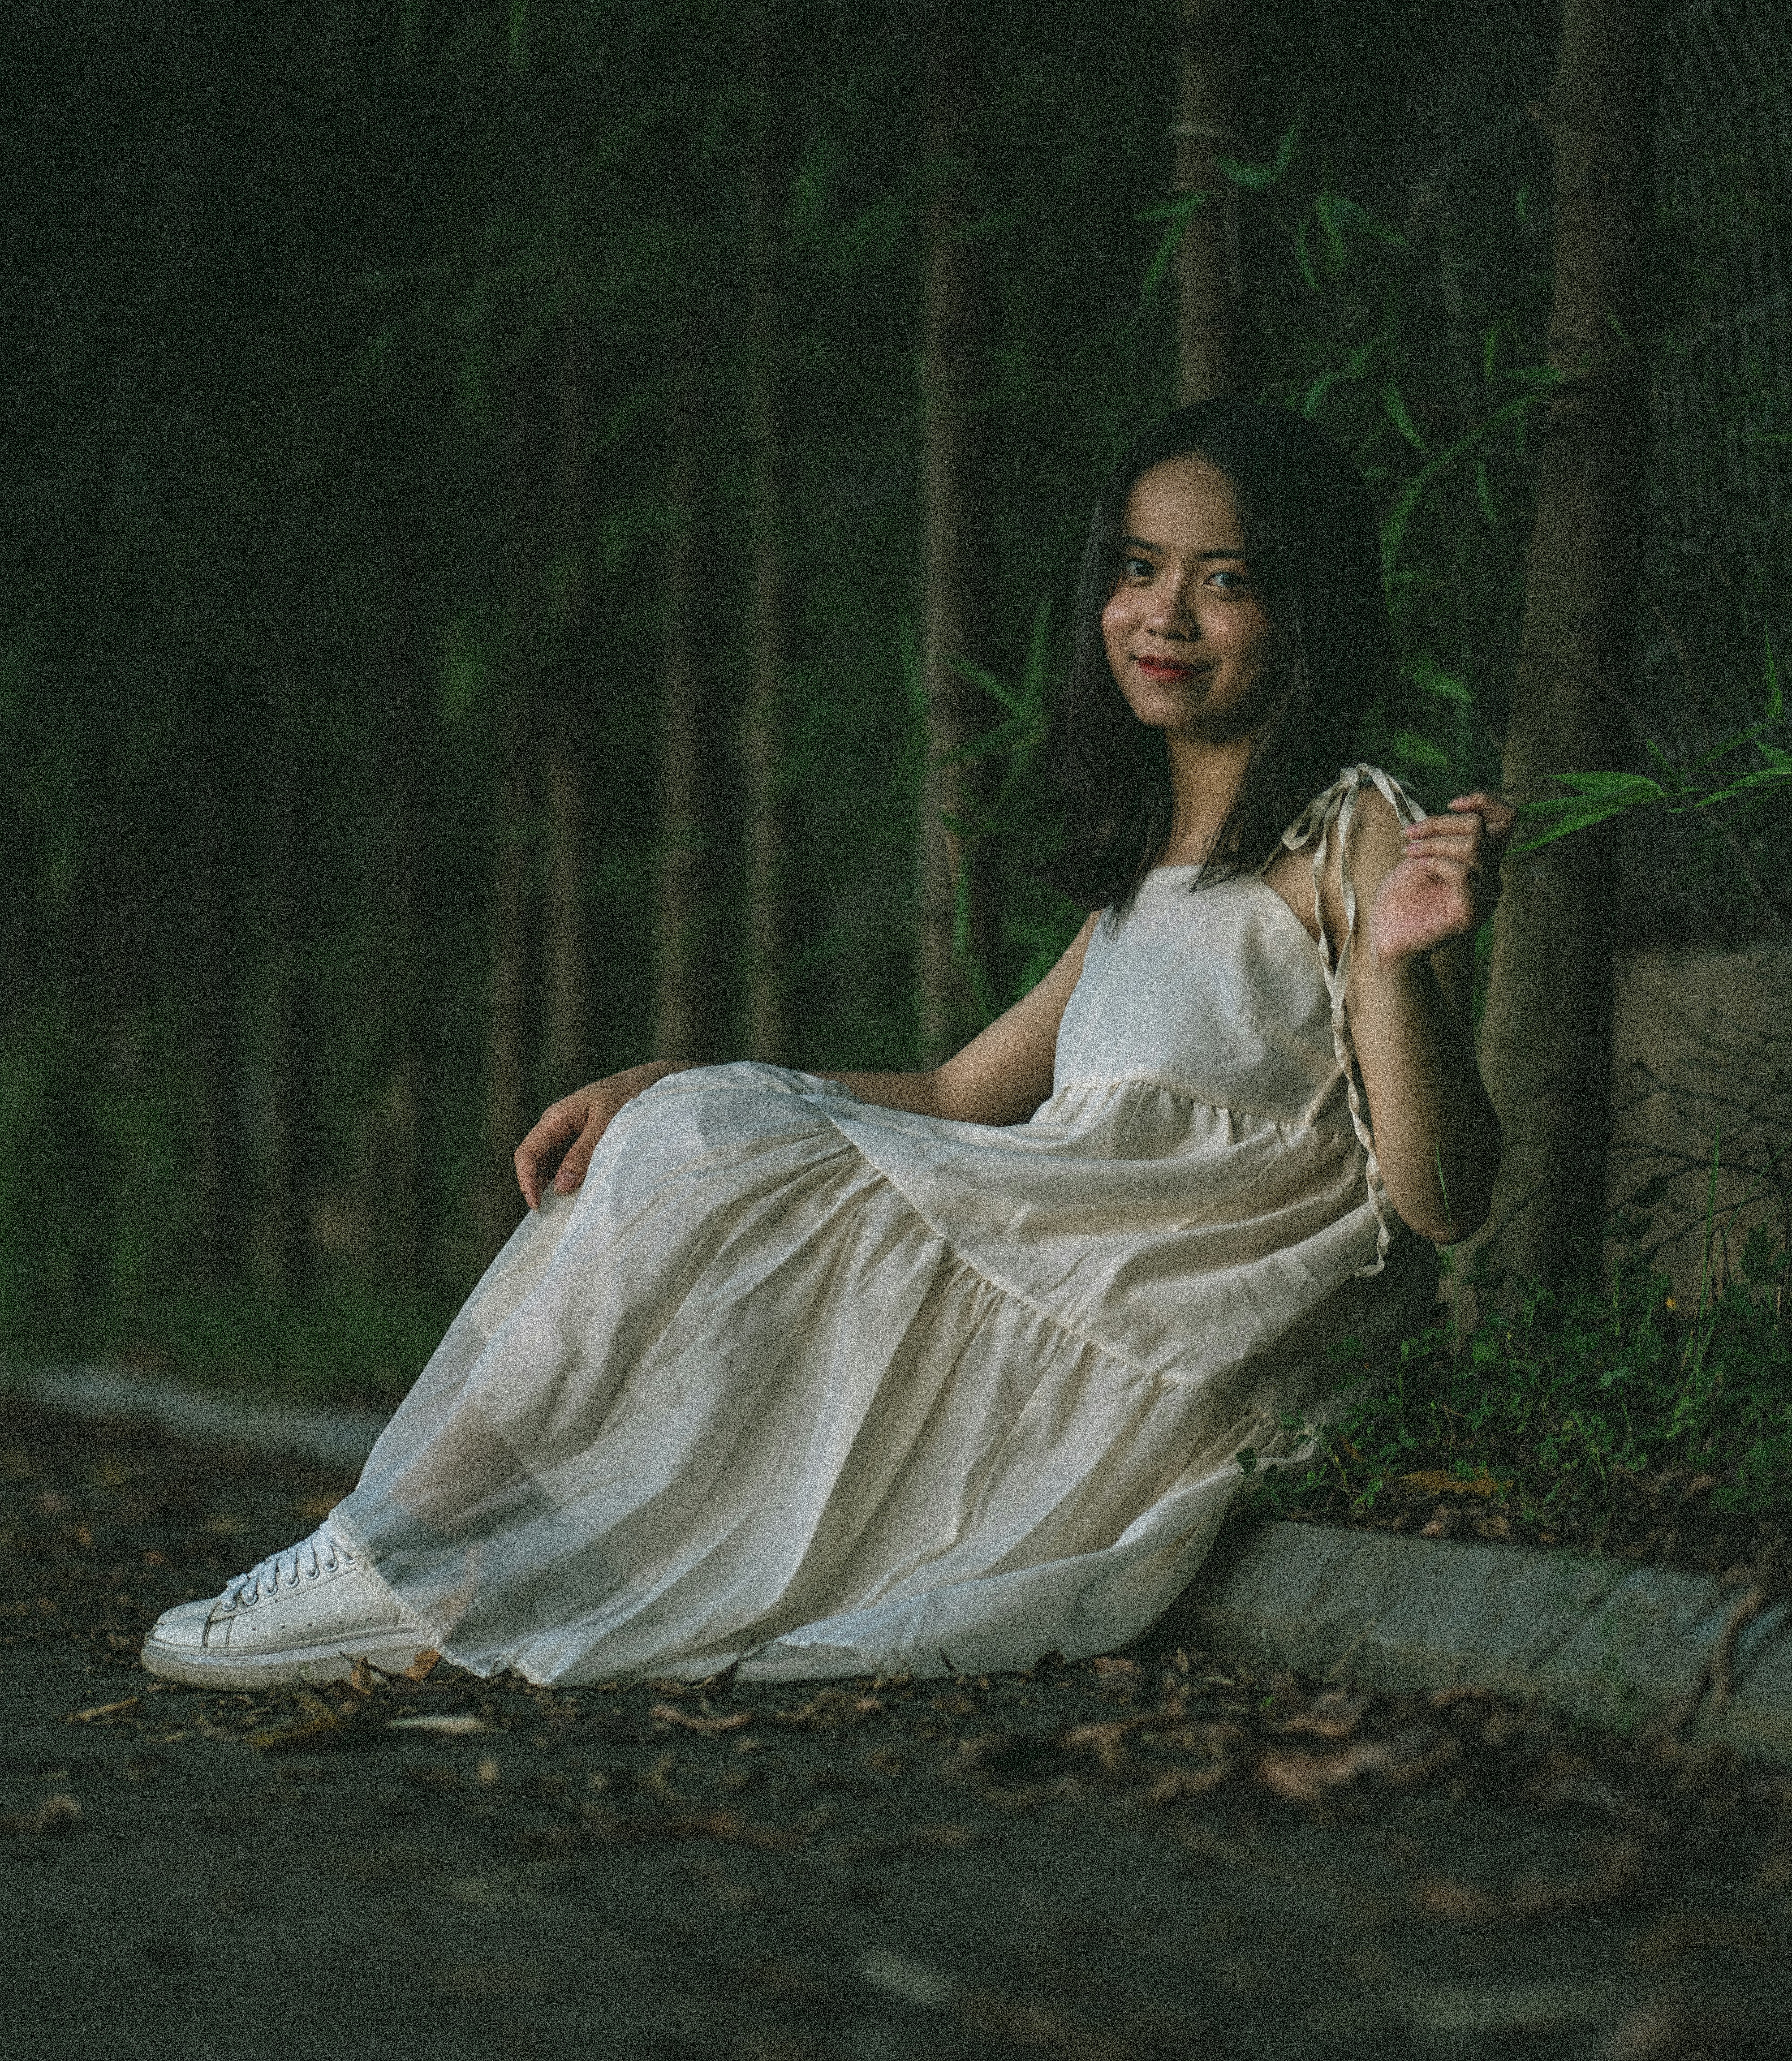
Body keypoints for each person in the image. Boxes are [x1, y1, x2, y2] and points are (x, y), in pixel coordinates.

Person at [143, 399, 1513, 1693]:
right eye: (1141, 569)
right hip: (1073, 1273)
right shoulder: (1147, 877)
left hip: (1166, 1333)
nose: (1162, 616)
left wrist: (1400, 961)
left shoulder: (1351, 829)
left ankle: (397, 1569)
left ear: (1303, 610)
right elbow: (960, 1094)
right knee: (684, 1137)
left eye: (1224, 581)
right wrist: (660, 1084)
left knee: (706, 1156)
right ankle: (402, 1557)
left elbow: (1437, 1201)